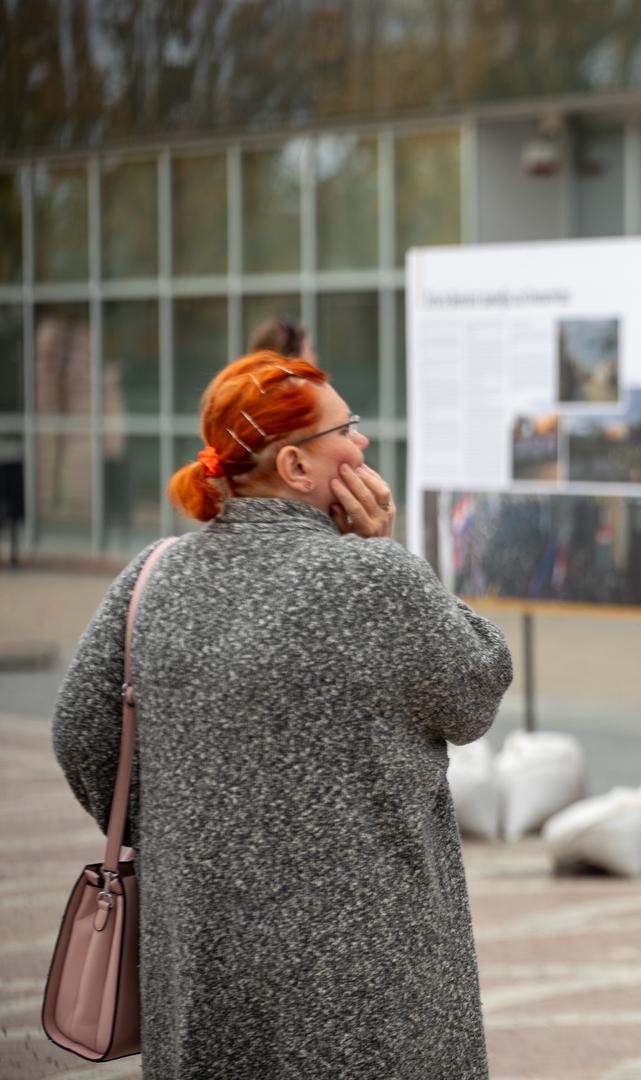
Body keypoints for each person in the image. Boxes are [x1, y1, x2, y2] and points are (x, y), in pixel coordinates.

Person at [51, 351, 514, 1078]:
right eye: (348, 429)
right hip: (369, 970)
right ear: (297, 467)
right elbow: (475, 690)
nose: (363, 444)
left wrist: (189, 836)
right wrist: (383, 549)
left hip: (202, 959)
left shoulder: (151, 575)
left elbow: (80, 734)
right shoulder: (377, 576)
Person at [248, 315, 319, 367]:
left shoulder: (247, 384)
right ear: (293, 357)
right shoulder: (304, 386)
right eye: (311, 350)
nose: (316, 358)